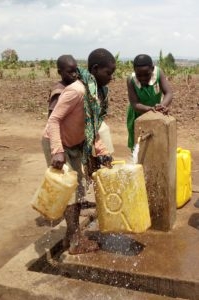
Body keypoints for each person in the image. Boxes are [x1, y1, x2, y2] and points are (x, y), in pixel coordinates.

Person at [42, 48, 116, 254]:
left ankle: (70, 237)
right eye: (108, 73)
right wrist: (57, 150)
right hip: (58, 143)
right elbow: (53, 120)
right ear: (95, 69)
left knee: (79, 189)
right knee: (71, 191)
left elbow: (93, 125)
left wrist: (100, 152)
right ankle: (75, 242)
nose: (111, 78)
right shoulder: (77, 91)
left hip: (75, 144)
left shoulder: (97, 93)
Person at [126, 54, 173, 150]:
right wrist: (149, 109)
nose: (143, 78)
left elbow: (168, 93)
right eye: (139, 75)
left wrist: (162, 106)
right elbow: (135, 104)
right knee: (138, 143)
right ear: (134, 71)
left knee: (156, 140)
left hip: (156, 112)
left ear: (152, 68)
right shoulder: (131, 80)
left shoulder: (158, 73)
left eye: (147, 74)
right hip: (138, 114)